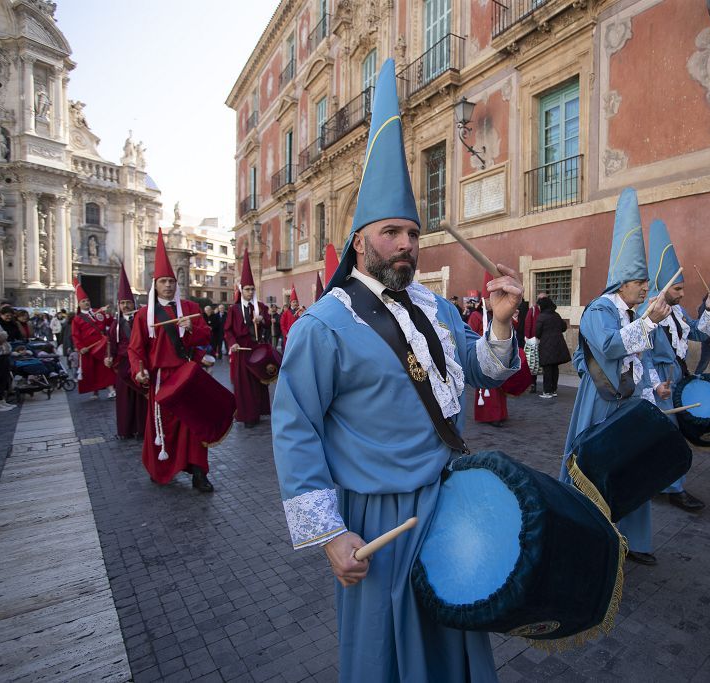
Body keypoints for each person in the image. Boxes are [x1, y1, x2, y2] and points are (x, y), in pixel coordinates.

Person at [271, 59, 522, 682]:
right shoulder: (323, 326)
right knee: (384, 652)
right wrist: (330, 535)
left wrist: (499, 321)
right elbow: (295, 428)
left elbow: (485, 371)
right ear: (362, 241)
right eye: (392, 232)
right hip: (377, 519)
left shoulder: (437, 307)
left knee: (452, 642)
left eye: (413, 232)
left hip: (448, 501)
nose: (408, 243)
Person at [561, 187, 671, 566]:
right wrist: (648, 322)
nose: (645, 285)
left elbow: (638, 355)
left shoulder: (628, 312)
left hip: (629, 401)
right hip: (601, 402)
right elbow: (606, 347)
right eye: (640, 279)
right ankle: (587, 536)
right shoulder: (599, 309)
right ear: (622, 281)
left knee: (630, 469)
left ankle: (632, 541)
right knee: (596, 467)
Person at [639, 220, 710, 512]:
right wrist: (653, 385)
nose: (682, 293)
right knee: (668, 434)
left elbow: (698, 332)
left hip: (676, 376)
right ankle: (672, 488)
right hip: (658, 380)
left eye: (684, 288)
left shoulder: (680, 311)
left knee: (665, 434)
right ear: (663, 287)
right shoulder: (647, 310)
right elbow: (642, 352)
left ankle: (661, 482)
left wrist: (709, 308)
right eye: (678, 288)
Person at [128, 229, 215, 492]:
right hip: (162, 378)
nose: (168, 285)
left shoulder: (190, 308)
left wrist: (191, 328)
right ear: (155, 284)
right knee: (163, 426)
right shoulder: (144, 315)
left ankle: (200, 473)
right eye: (163, 281)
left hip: (188, 375)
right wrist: (138, 371)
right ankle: (162, 468)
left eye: (171, 281)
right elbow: (135, 349)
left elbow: (205, 336)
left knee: (195, 425)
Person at [224, 250, 272, 428]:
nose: (250, 292)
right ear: (241, 290)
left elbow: (268, 323)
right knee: (243, 385)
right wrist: (232, 343)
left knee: (258, 383)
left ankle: (259, 412)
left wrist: (263, 320)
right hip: (241, 352)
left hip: (257, 350)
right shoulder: (234, 310)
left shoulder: (260, 307)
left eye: (252, 289)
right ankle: (247, 415)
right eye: (247, 289)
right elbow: (228, 330)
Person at [106, 265, 147, 439]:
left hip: (139, 364)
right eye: (122, 303)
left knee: (141, 399)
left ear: (133, 303)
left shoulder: (141, 320)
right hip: (123, 365)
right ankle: (126, 429)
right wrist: (109, 357)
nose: (125, 306)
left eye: (128, 302)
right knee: (124, 400)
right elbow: (111, 344)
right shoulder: (116, 323)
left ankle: (142, 429)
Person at [468, 273, 509, 428]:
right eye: (489, 299)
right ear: (484, 301)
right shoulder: (475, 316)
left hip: (497, 354)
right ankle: (490, 416)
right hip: (483, 356)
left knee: (498, 388)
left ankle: (500, 414)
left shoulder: (496, 315)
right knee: (488, 389)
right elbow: (471, 336)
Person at [70, 280, 116, 399]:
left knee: (105, 368)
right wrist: (80, 348)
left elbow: (111, 323)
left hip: (101, 346)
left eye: (87, 301)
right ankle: (95, 391)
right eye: (83, 301)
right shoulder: (77, 319)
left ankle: (111, 390)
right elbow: (75, 335)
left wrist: (107, 314)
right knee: (91, 370)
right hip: (88, 348)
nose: (86, 303)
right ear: (79, 304)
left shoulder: (98, 312)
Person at [534, 296, 570, 398]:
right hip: (558, 345)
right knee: (555, 368)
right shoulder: (556, 315)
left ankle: (547, 391)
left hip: (546, 345)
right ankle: (554, 390)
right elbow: (564, 327)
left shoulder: (541, 317)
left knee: (547, 369)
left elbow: (537, 332)